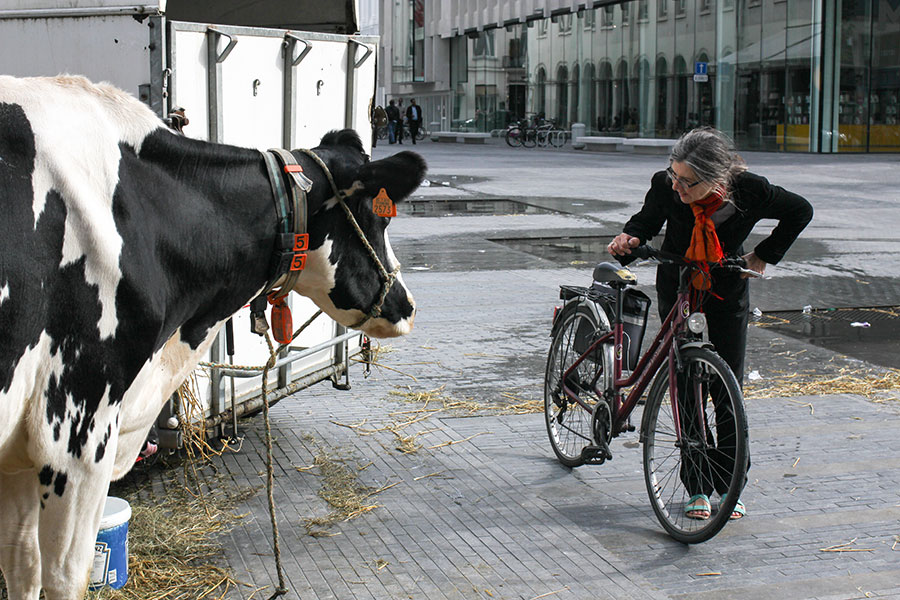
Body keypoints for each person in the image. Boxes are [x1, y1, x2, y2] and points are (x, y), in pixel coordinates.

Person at [607, 127, 813, 521]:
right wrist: (629, 238)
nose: (678, 187)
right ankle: (698, 484)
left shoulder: (750, 191)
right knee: (686, 384)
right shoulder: (666, 186)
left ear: (718, 179)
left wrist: (764, 255)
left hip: (727, 291)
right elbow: (645, 221)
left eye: (688, 182)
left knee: (726, 388)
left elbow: (800, 210)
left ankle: (731, 483)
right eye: (674, 176)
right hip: (681, 285)